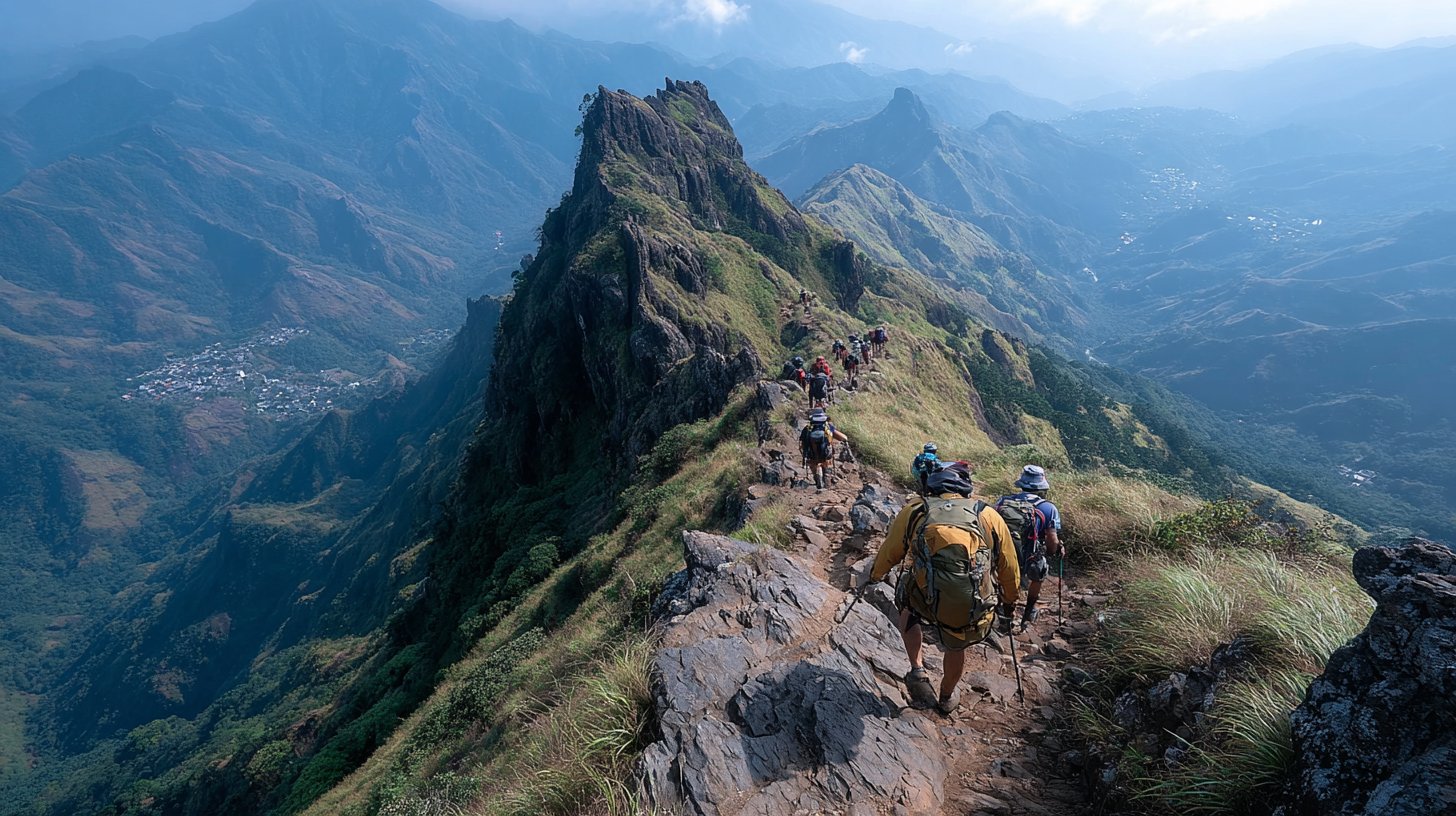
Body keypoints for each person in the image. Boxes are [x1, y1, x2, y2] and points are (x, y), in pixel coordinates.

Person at [867, 461, 1021, 714]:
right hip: (967, 601)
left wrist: (875, 575)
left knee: (906, 605)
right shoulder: (987, 514)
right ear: (965, 487)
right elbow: (1009, 566)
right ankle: (946, 696)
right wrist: (1010, 601)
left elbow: (891, 551)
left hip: (924, 594)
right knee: (955, 645)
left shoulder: (916, 510)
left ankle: (917, 669)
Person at [995, 465, 1064, 629]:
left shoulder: (1002, 501)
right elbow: (1052, 543)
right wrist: (1053, 551)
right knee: (1039, 572)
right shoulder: (1048, 508)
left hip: (1001, 553)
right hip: (1029, 556)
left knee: (1000, 577)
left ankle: (1004, 613)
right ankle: (1028, 612)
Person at [799, 408, 848, 490]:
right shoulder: (828, 427)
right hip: (826, 455)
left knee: (813, 464)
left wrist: (804, 454)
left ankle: (816, 477)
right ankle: (826, 480)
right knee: (827, 462)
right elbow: (843, 438)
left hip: (811, 456)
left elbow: (801, 443)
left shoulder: (807, 428)